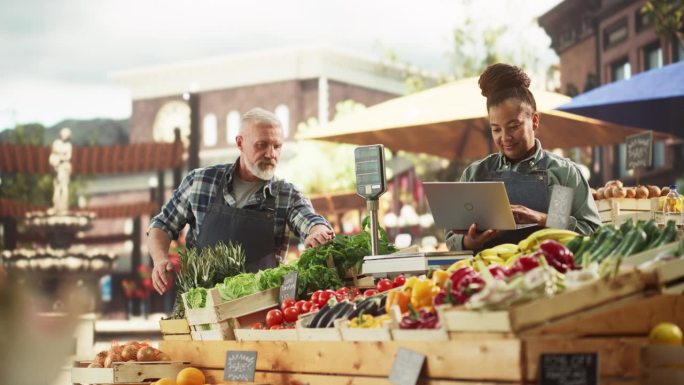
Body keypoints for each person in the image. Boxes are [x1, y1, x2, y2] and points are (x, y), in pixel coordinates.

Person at [148, 108, 335, 294]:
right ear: (240, 143)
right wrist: (159, 259)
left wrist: (317, 233)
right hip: (201, 307)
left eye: (277, 146)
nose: (271, 154)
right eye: (262, 145)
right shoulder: (200, 182)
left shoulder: (286, 195)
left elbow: (311, 221)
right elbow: (162, 225)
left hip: (261, 311)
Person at [446, 64, 601, 252]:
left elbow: (592, 231)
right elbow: (452, 238)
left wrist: (542, 218)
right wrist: (470, 241)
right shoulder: (476, 175)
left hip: (550, 272)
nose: (505, 137)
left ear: (534, 120)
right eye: (496, 129)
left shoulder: (560, 174)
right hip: (491, 275)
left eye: (513, 126)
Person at [48, 127, 73, 214]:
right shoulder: (56, 143)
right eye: (64, 133)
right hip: (56, 168)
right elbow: (53, 154)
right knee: (57, 187)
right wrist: (56, 160)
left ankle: (64, 206)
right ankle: (56, 206)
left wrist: (60, 157)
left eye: (67, 134)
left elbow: (68, 156)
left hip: (64, 168)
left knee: (64, 187)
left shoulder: (68, 145)